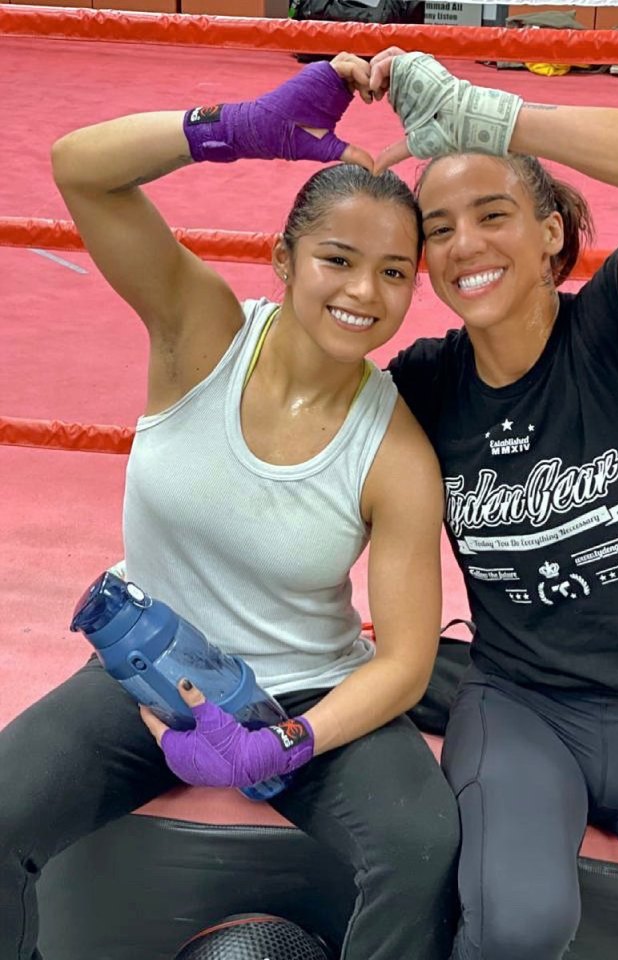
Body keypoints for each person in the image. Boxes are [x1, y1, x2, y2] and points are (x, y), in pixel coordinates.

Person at [0, 54, 460, 960]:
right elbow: (80, 166)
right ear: (285, 259)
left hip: (307, 691)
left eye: (395, 272)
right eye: (338, 258)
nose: (364, 293)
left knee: (422, 847)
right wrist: (233, 129)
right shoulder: (201, 332)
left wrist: (285, 741)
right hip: (151, 678)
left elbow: (405, 662)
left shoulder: (397, 451)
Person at [365, 49, 618, 960]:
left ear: (552, 233)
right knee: (521, 927)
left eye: (494, 214)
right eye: (439, 229)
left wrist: (490, 116)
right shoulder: (427, 385)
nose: (465, 244)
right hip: (521, 709)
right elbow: (300, 397)